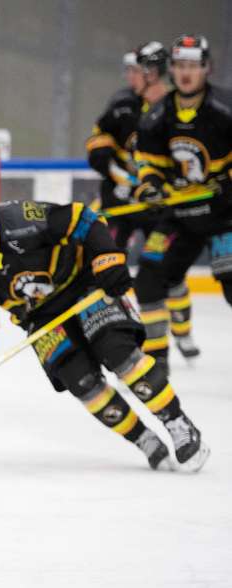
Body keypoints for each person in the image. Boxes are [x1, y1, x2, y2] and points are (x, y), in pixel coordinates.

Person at [0, 174, 209, 472]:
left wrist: (107, 257)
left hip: (84, 287)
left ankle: (177, 423)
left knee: (119, 353)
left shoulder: (21, 218)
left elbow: (83, 219)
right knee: (81, 382)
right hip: (40, 317)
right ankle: (143, 439)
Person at [87, 42, 201, 360]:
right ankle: (114, 335)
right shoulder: (123, 104)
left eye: (135, 70)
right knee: (104, 264)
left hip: (158, 209)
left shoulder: (177, 110)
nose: (129, 76)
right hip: (123, 205)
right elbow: (98, 141)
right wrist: (120, 178)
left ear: (152, 73)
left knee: (165, 272)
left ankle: (183, 329)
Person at [133, 34, 232, 369]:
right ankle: (156, 359)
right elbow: (149, 163)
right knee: (148, 276)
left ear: (206, 69)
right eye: (180, 66)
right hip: (181, 216)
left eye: (193, 66)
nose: (186, 73)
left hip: (225, 217)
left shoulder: (225, 108)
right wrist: (151, 187)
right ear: (171, 70)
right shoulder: (157, 115)